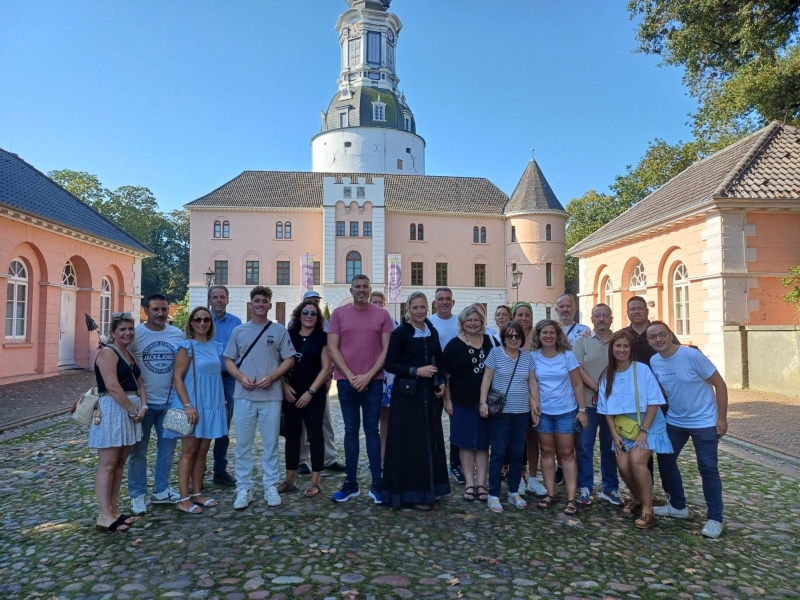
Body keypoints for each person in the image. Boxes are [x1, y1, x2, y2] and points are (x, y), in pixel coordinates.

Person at [648, 321, 729, 539]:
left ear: (670, 335)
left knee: (708, 468)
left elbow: (719, 384)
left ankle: (715, 518)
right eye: (653, 337)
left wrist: (721, 418)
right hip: (675, 420)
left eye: (662, 335)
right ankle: (678, 506)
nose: (658, 340)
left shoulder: (691, 356)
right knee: (665, 459)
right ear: (649, 341)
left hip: (704, 422)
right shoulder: (654, 361)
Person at [224, 286, 296, 510]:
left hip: (271, 396)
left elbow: (289, 359)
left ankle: (270, 485)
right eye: (257, 301)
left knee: (270, 444)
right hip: (244, 395)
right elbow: (228, 360)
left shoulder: (279, 331)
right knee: (243, 445)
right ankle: (244, 488)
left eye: (264, 301)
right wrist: (240, 377)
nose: (260, 305)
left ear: (269, 305)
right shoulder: (239, 331)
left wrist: (273, 377)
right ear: (251, 304)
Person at [327, 274, 394, 503]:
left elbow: (387, 350)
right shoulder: (339, 314)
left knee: (372, 431)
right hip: (346, 382)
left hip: (373, 382)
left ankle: (377, 483)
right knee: (350, 430)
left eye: (365, 286)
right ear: (351, 290)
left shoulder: (382, 315)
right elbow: (333, 348)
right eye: (358, 286)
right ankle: (351, 483)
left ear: (370, 289)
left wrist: (367, 376)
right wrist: (352, 376)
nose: (362, 290)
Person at [381, 291, 450, 509]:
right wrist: (416, 371)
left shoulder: (432, 331)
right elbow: (390, 364)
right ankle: (413, 494)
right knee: (411, 443)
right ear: (408, 310)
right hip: (407, 397)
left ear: (427, 308)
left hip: (429, 395)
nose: (419, 311)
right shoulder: (401, 333)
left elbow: (439, 359)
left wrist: (441, 381)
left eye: (422, 307)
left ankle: (430, 489)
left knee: (430, 440)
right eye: (415, 307)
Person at [598, 331, 673, 529]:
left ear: (631, 349)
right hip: (623, 427)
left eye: (625, 346)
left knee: (637, 461)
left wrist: (644, 431)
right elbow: (606, 410)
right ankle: (639, 498)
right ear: (612, 349)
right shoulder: (608, 374)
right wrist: (614, 436)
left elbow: (654, 402)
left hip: (648, 423)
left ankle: (648, 509)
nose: (621, 350)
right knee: (623, 466)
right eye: (618, 346)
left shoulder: (642, 370)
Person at [164, 307, 228, 514]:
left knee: (202, 451)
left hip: (211, 405)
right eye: (198, 319)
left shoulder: (214, 346)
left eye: (206, 320)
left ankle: (197, 493)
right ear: (191, 322)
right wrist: (188, 405)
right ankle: (183, 498)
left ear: (211, 323)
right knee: (189, 452)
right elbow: (177, 378)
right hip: (192, 405)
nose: (202, 323)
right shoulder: (186, 346)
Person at [89, 313, 146, 532]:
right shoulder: (107, 352)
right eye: (122, 329)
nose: (127, 333)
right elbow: (112, 386)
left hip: (130, 410)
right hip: (114, 410)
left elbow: (140, 383)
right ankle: (104, 515)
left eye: (130, 329)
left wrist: (143, 406)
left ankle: (113, 509)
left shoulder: (128, 354)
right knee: (108, 463)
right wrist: (133, 410)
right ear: (113, 332)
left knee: (120, 463)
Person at [128, 293, 183, 515]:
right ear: (146, 311)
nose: (160, 313)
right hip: (144, 404)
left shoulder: (177, 334)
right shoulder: (136, 335)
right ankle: (137, 495)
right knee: (138, 451)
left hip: (171, 403)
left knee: (167, 449)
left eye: (163, 309)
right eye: (155, 309)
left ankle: (162, 490)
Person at [480, 321, 541, 513]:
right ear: (504, 337)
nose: (513, 339)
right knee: (498, 453)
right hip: (501, 413)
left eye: (517, 336)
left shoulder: (528, 357)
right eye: (509, 336)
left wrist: (536, 407)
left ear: (522, 338)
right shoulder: (495, 354)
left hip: (521, 412)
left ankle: (514, 491)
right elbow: (487, 378)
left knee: (517, 453)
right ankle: (494, 493)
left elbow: (532, 383)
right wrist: (483, 402)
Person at [531, 319, 587, 516]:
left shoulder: (567, 356)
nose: (548, 336)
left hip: (566, 411)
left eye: (552, 333)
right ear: (538, 335)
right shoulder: (533, 357)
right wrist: (534, 407)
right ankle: (550, 493)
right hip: (544, 413)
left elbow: (578, 384)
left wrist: (582, 410)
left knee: (567, 454)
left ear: (557, 336)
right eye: (544, 332)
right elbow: (532, 385)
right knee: (546, 453)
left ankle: (571, 498)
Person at [279, 299, 332, 497]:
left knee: (315, 435)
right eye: (305, 313)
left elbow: (326, 368)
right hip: (291, 393)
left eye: (313, 314)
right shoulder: (289, 336)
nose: (309, 317)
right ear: (298, 316)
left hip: (313, 394)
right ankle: (290, 478)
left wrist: (310, 392)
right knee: (292, 436)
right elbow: (281, 362)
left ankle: (315, 480)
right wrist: (284, 385)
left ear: (317, 318)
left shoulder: (322, 338)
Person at [572, 303, 622, 506]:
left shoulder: (619, 341)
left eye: (605, 315)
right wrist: (596, 387)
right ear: (591, 320)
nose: (601, 318)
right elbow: (577, 369)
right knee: (584, 445)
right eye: (597, 315)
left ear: (611, 318)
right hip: (588, 402)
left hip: (613, 404)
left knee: (610, 447)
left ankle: (610, 488)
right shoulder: (582, 341)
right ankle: (585, 487)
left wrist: (606, 392)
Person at [443, 306, 494, 502]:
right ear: (462, 323)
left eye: (476, 320)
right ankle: (469, 484)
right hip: (461, 402)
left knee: (482, 444)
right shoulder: (454, 345)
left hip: (486, 403)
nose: (473, 323)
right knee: (465, 444)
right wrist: (447, 400)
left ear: (482, 322)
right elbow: (444, 374)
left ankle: (482, 484)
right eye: (469, 320)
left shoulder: (490, 342)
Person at [295, 290, 345, 475]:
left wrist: (329, 376)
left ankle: (329, 458)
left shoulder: (326, 325)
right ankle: (301, 460)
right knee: (302, 425)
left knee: (325, 421)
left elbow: (332, 352)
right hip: (300, 383)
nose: (313, 307)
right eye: (310, 302)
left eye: (316, 302)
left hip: (322, 381)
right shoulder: (294, 327)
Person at [511, 301, 547, 497]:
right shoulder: (510, 336)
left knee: (533, 439)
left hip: (537, 392)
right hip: (515, 394)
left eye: (527, 315)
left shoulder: (538, 338)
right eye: (520, 315)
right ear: (514, 316)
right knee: (517, 439)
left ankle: (533, 477)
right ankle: (519, 476)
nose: (524, 318)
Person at [429, 287, 465, 484]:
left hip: (457, 380)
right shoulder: (428, 323)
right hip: (433, 379)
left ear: (453, 302)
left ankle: (456, 464)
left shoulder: (460, 322)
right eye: (440, 299)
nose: (444, 302)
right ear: (434, 302)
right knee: (432, 424)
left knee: (457, 425)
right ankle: (434, 462)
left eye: (448, 299)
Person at [208, 285, 242, 487]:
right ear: (210, 300)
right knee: (201, 424)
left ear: (227, 300)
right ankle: (197, 471)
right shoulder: (201, 320)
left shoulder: (236, 323)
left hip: (228, 379)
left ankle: (220, 469)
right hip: (206, 380)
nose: (219, 300)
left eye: (222, 297)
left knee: (223, 424)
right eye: (215, 297)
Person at [370, 291, 400, 460]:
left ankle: (385, 455)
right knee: (372, 418)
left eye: (380, 302)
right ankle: (375, 456)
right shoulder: (364, 323)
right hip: (371, 374)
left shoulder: (393, 323)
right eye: (374, 302)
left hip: (389, 376)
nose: (377, 304)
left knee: (388, 417)